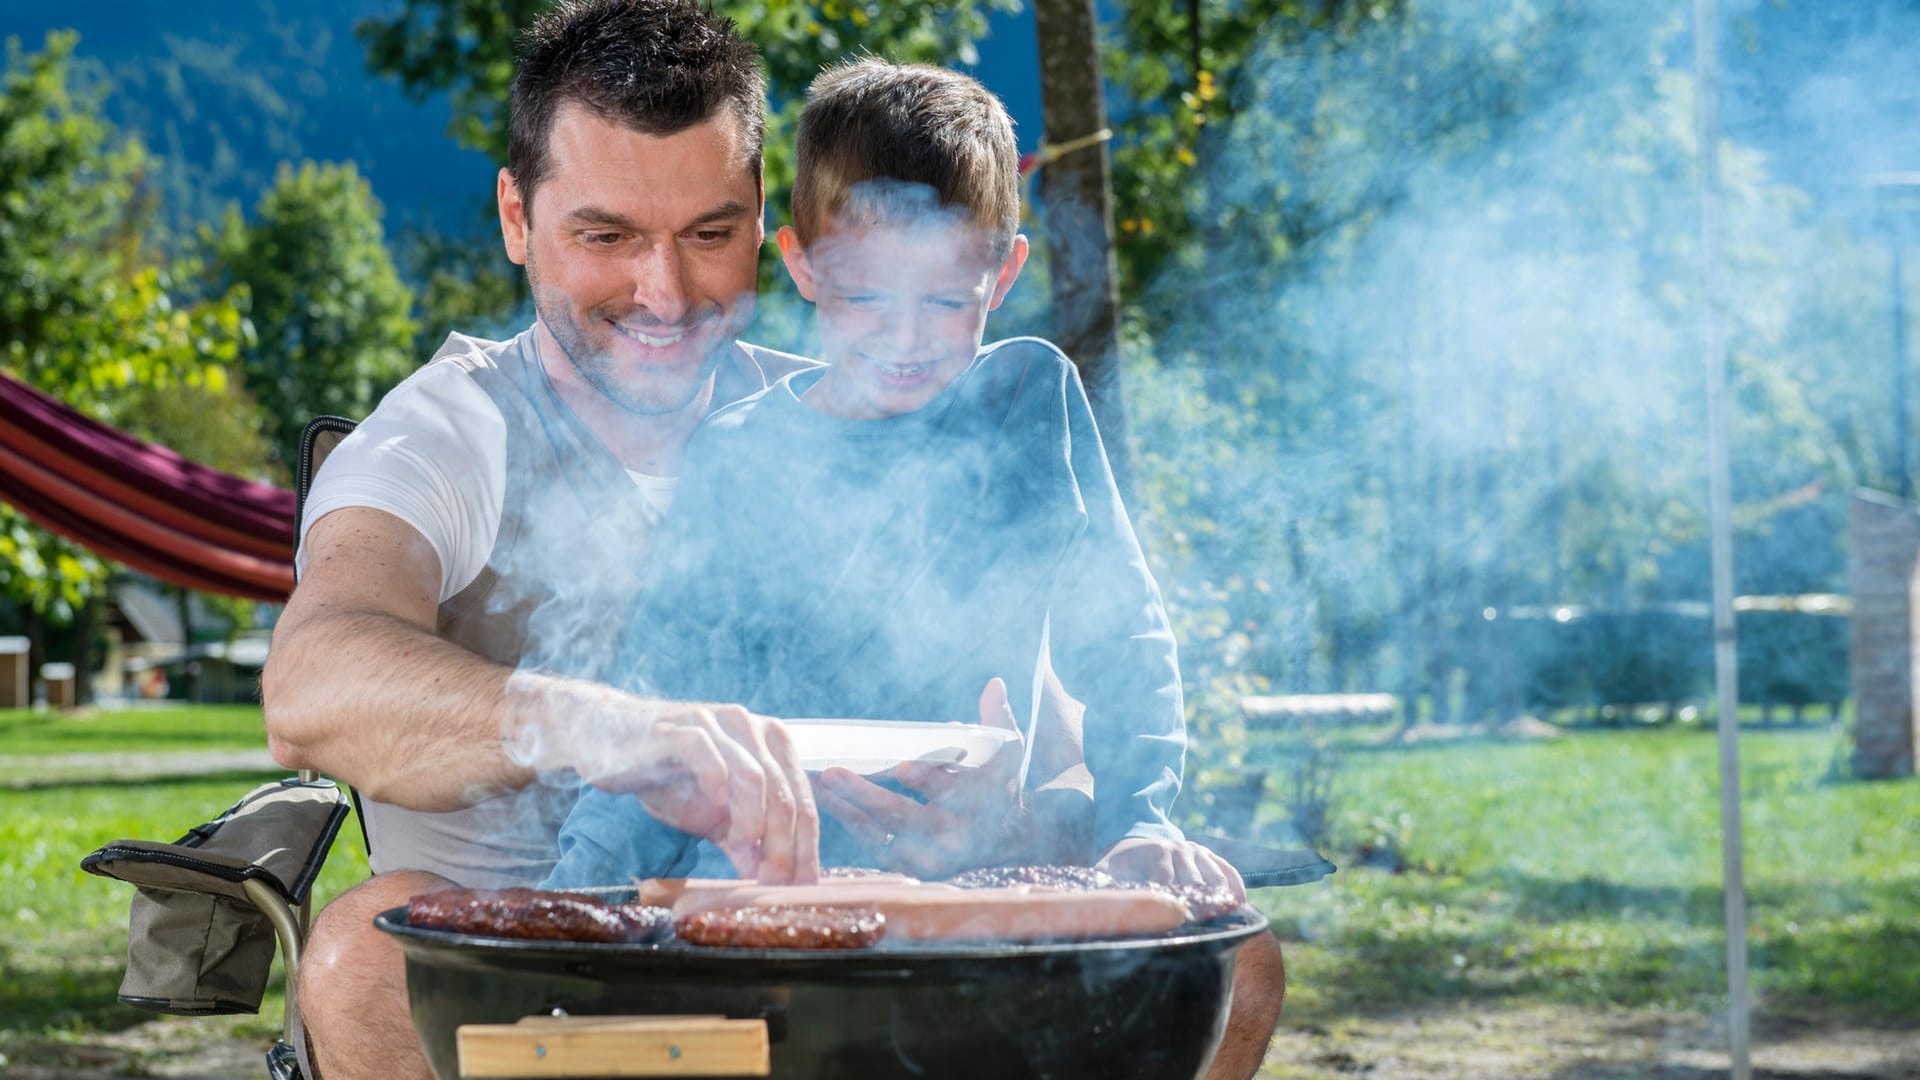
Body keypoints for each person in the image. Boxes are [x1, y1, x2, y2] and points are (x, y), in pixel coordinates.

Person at [261, 4, 1282, 1078]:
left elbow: (1073, 693)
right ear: (518, 218)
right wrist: (615, 731)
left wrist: (1016, 820)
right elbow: (312, 682)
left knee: (1231, 961)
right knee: (361, 954)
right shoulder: (454, 429)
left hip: (852, 940)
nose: (664, 291)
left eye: (707, 233)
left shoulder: (857, 412)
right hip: (583, 952)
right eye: (605, 235)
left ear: (763, 234)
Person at [545, 58, 1242, 897]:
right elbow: (660, 695)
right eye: (865, 297)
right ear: (801, 267)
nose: (906, 339)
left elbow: (1121, 635)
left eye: (948, 302)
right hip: (759, 888)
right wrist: (575, 895)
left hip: (969, 887)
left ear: (1005, 274)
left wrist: (1140, 820)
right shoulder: (740, 454)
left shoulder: (1024, 398)